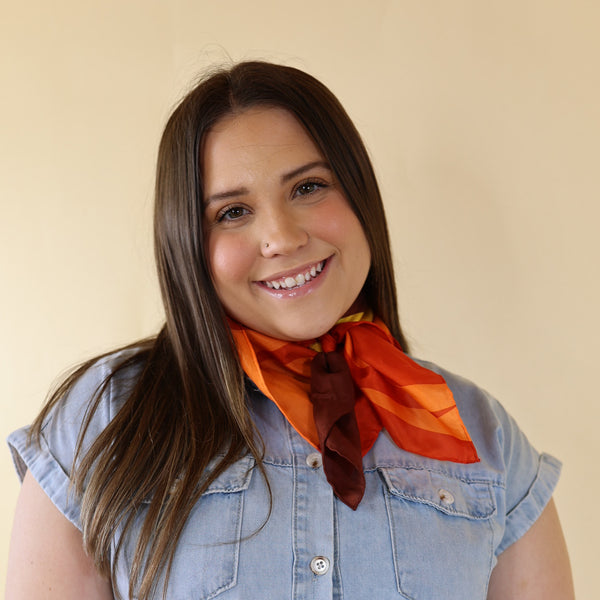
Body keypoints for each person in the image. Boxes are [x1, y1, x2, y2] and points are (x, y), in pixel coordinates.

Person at [6, 61, 574, 600]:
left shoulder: (486, 441)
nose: (280, 237)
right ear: (187, 244)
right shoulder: (102, 421)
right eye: (232, 212)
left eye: (308, 187)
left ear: (359, 196)